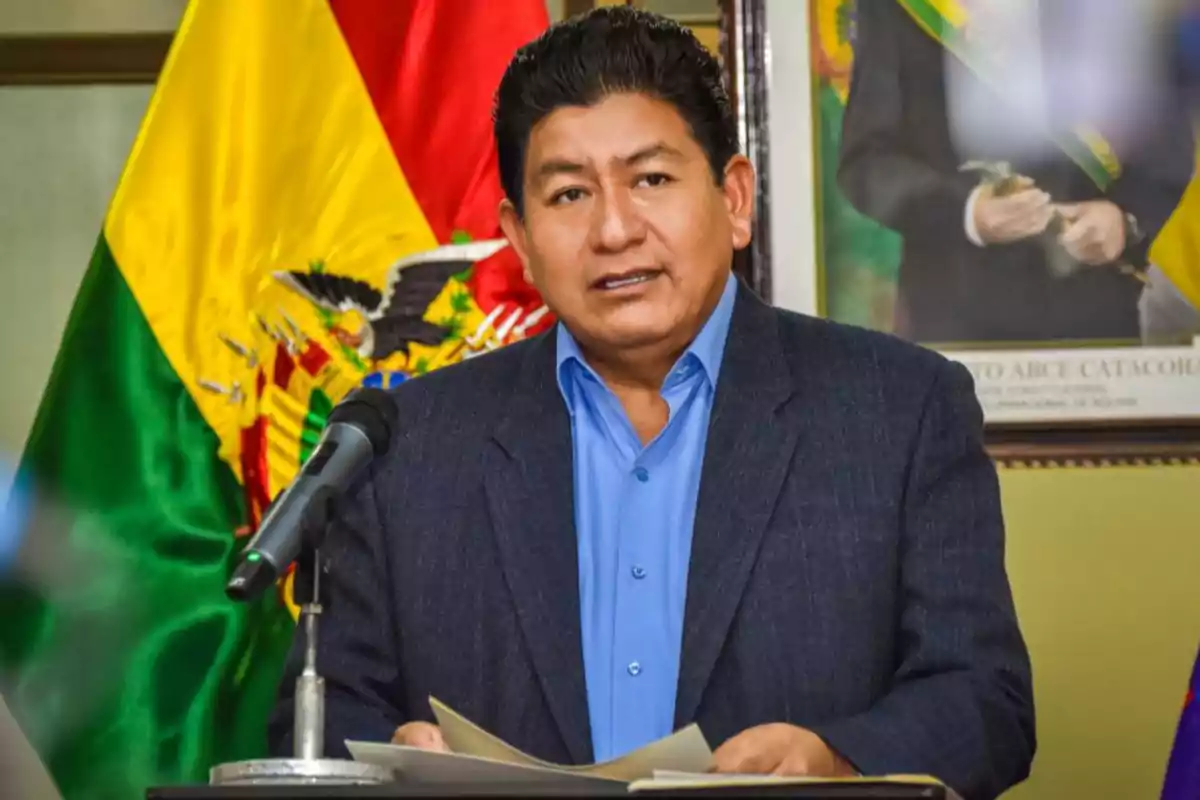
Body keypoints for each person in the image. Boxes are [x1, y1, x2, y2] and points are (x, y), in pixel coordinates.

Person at [269, 8, 1035, 799]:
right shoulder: (406, 441)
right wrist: (389, 758)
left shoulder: (898, 410)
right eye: (568, 194)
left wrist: (837, 758)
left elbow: (984, 701)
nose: (613, 230)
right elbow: (319, 716)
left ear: (734, 199)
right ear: (521, 239)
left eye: (652, 180)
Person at [839, 0, 1196, 345]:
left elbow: (1166, 142)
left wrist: (1123, 218)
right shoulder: (902, 5)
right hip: (954, 318)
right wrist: (969, 212)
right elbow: (868, 160)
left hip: (1095, 319)